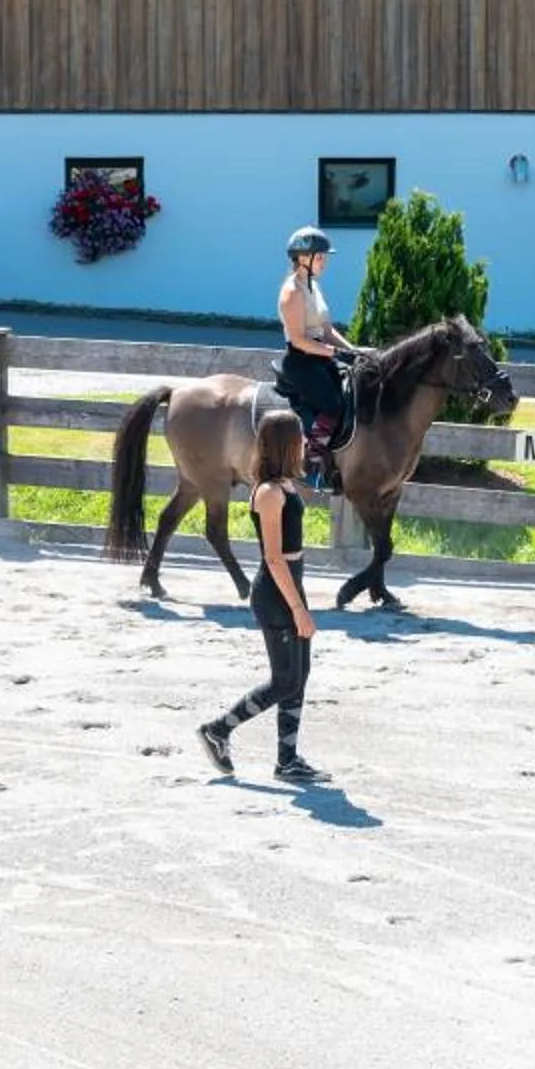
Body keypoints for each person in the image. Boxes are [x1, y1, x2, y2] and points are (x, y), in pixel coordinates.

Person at [196, 410, 330, 785]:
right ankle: (218, 730)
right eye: (300, 436)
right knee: (285, 679)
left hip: (290, 585)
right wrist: (299, 609)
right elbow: (273, 557)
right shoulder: (269, 493)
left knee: (299, 675)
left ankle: (287, 761)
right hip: (275, 592)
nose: (305, 441)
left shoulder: (285, 483)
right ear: (284, 443)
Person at [276, 226, 359, 489]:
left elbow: (326, 329)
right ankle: (310, 464)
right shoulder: (292, 292)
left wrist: (354, 350)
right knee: (333, 406)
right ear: (302, 258)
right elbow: (300, 339)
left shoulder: (314, 286)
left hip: (320, 355)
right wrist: (335, 353)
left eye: (325, 257)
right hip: (301, 360)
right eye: (319, 257)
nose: (324, 262)